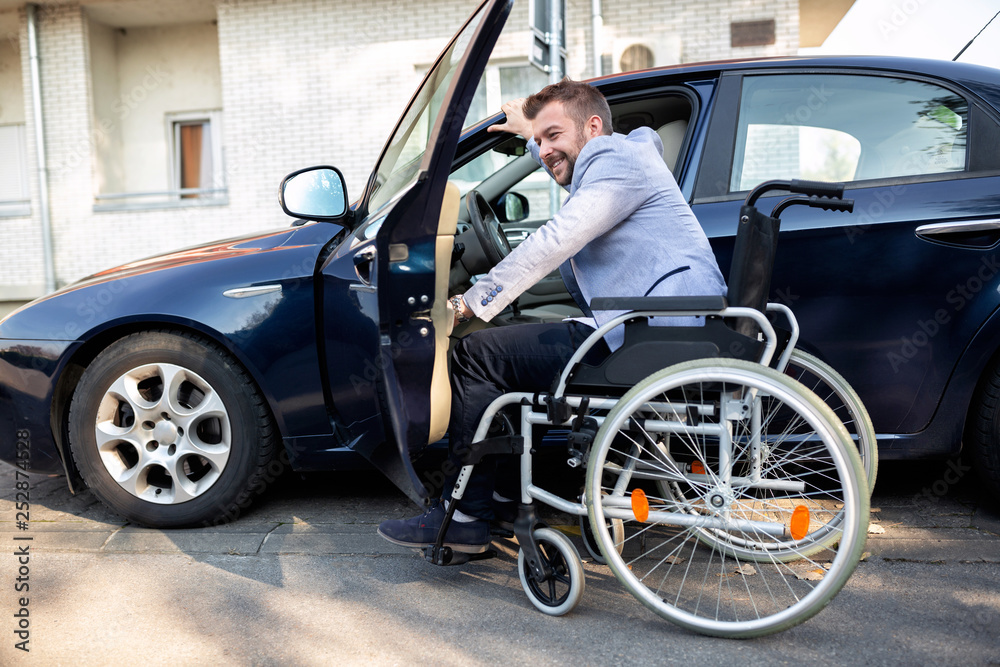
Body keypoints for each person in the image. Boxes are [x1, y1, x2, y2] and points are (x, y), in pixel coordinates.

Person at [378, 79, 726, 553]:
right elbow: (570, 168)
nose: (544, 150)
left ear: (594, 126)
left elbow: (556, 239)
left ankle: (464, 514)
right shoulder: (618, 160)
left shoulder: (615, 161)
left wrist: (468, 303)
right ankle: (500, 496)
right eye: (539, 141)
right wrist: (532, 131)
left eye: (553, 136)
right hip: (656, 324)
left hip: (648, 335)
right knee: (505, 350)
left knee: (478, 356)